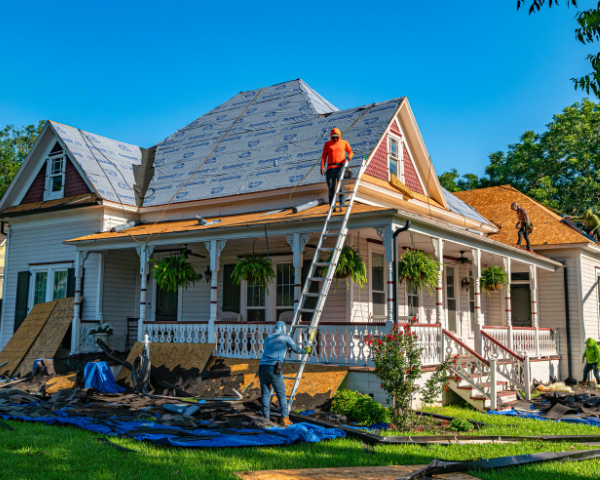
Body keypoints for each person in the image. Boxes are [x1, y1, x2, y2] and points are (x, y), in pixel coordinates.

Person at [259, 321, 311, 426]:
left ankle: (266, 419)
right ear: (283, 328)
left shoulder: (268, 337)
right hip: (273, 368)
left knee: (265, 394)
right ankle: (285, 419)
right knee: (281, 394)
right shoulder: (285, 337)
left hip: (262, 367)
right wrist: (305, 350)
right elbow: (296, 349)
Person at [321, 128, 353, 212]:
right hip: (330, 168)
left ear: (339, 136)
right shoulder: (327, 144)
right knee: (331, 187)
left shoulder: (344, 143)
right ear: (331, 136)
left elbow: (350, 152)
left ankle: (342, 205)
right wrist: (322, 167)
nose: (335, 138)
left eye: (336, 137)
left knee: (340, 186)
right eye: (333, 137)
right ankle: (332, 207)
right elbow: (324, 156)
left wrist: (349, 157)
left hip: (340, 167)